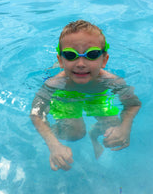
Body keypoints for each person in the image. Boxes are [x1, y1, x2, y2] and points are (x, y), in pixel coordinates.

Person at [30, 20, 141, 171]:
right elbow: (36, 114)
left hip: (97, 97)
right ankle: (58, 130)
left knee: (114, 127)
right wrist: (54, 145)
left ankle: (94, 132)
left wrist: (125, 128)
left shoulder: (113, 81)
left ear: (104, 60)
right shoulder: (55, 84)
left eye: (92, 54)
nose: (81, 63)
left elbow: (133, 104)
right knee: (75, 133)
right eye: (70, 55)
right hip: (65, 98)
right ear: (61, 60)